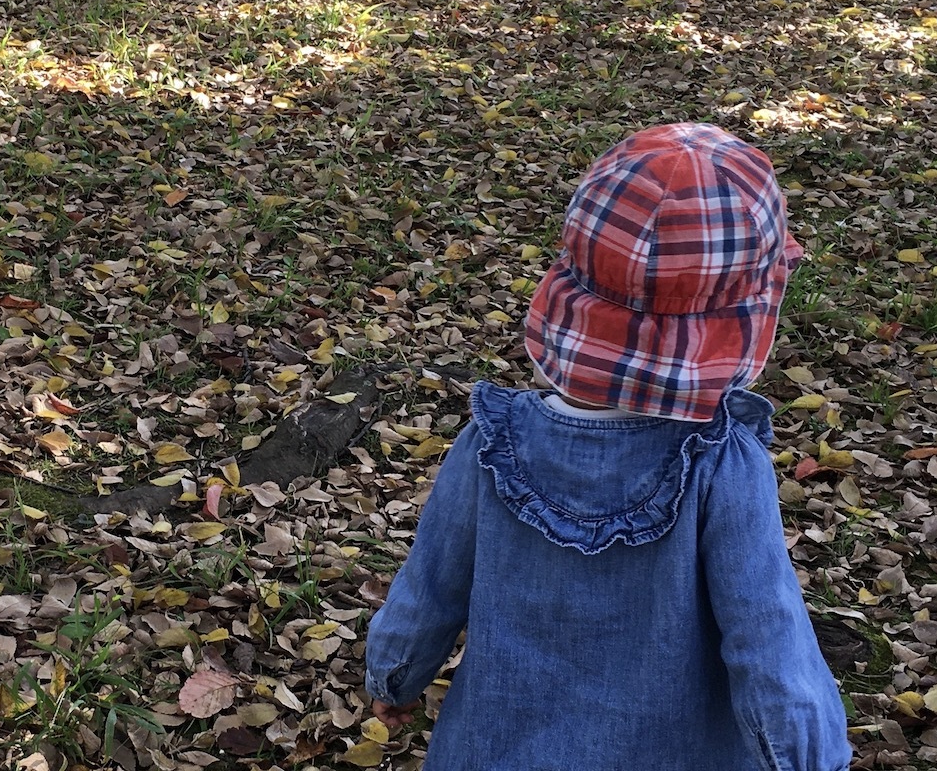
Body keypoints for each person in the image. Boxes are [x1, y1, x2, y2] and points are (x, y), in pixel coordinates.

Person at [364, 123, 852, 771]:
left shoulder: (490, 444)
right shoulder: (721, 467)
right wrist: (808, 756)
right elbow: (769, 641)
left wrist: (395, 679)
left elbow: (429, 589)